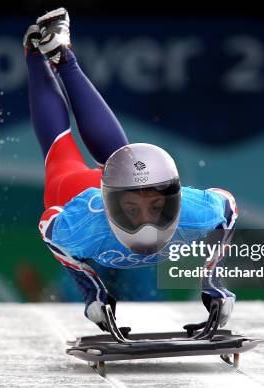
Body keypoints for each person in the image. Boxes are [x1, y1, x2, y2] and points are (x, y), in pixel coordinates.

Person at [25, 8, 238, 331]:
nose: (146, 220)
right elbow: (49, 227)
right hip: (78, 190)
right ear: (111, 205)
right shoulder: (84, 222)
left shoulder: (193, 212)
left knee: (122, 159)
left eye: (156, 206)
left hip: (103, 198)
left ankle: (55, 56)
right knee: (64, 152)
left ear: (173, 201)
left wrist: (214, 283)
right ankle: (43, 57)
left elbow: (228, 208)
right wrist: (92, 292)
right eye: (133, 209)